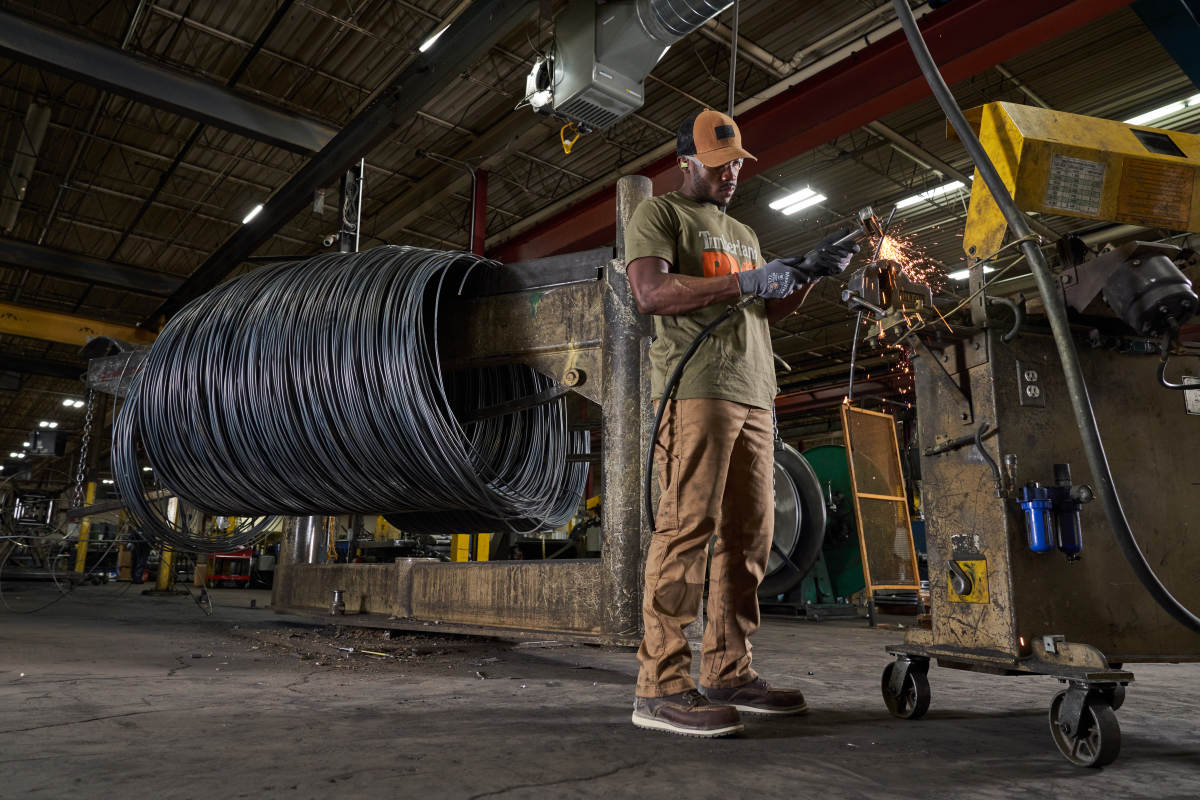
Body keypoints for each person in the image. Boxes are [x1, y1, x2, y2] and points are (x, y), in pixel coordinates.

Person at [624, 108, 858, 737]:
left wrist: (805, 275)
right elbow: (650, 294)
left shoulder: (744, 232)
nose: (730, 175)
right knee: (686, 530)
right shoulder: (661, 215)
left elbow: (764, 312)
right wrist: (745, 281)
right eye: (718, 165)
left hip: (755, 394)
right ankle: (660, 684)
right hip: (698, 390)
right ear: (685, 163)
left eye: (736, 165)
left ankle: (728, 670)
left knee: (750, 537)